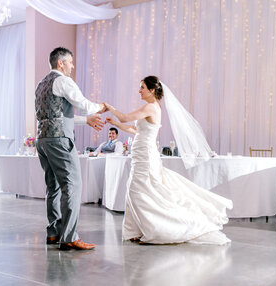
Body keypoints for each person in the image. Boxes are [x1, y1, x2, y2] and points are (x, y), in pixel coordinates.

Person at [105, 76, 233, 245]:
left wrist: (108, 107)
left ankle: (156, 231)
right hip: (142, 155)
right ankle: (138, 231)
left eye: (142, 87)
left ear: (152, 90)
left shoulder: (151, 107)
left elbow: (125, 117)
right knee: (135, 190)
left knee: (139, 191)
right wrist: (115, 123)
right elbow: (135, 129)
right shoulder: (153, 107)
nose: (139, 91)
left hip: (145, 156)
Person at [35, 47, 106, 251]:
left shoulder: (41, 85)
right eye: (70, 62)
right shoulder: (63, 81)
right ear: (61, 63)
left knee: (53, 186)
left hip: (43, 140)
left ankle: (53, 232)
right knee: (72, 184)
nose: (72, 66)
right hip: (59, 140)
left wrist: (86, 120)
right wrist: (99, 107)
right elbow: (82, 103)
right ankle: (69, 236)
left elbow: (56, 116)